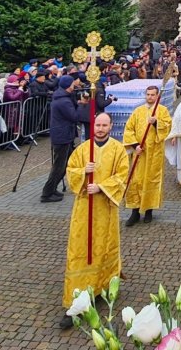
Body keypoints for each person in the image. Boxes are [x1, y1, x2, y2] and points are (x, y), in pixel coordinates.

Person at [58, 112, 129, 329]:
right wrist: (83, 172)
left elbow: (122, 176)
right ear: (93, 125)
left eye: (104, 125)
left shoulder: (118, 150)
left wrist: (101, 187)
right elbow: (70, 171)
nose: (100, 128)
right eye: (97, 124)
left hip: (105, 209)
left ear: (111, 126)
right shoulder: (82, 149)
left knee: (103, 248)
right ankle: (75, 300)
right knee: (80, 250)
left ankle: (99, 288)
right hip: (83, 209)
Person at [122, 85, 172, 225]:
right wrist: (135, 146)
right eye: (148, 94)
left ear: (157, 96)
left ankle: (149, 210)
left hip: (154, 153)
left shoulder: (162, 111)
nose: (150, 97)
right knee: (136, 181)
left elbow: (167, 127)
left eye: (152, 95)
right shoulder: (138, 111)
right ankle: (135, 212)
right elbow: (129, 129)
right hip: (140, 153)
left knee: (151, 180)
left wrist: (156, 123)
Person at [40, 76, 87, 203]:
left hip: (64, 134)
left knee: (66, 163)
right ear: (68, 85)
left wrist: (78, 103)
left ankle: (52, 188)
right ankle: (47, 193)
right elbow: (74, 116)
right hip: (62, 135)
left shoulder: (62, 97)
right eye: (72, 84)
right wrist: (81, 106)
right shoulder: (63, 101)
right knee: (59, 166)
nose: (74, 85)